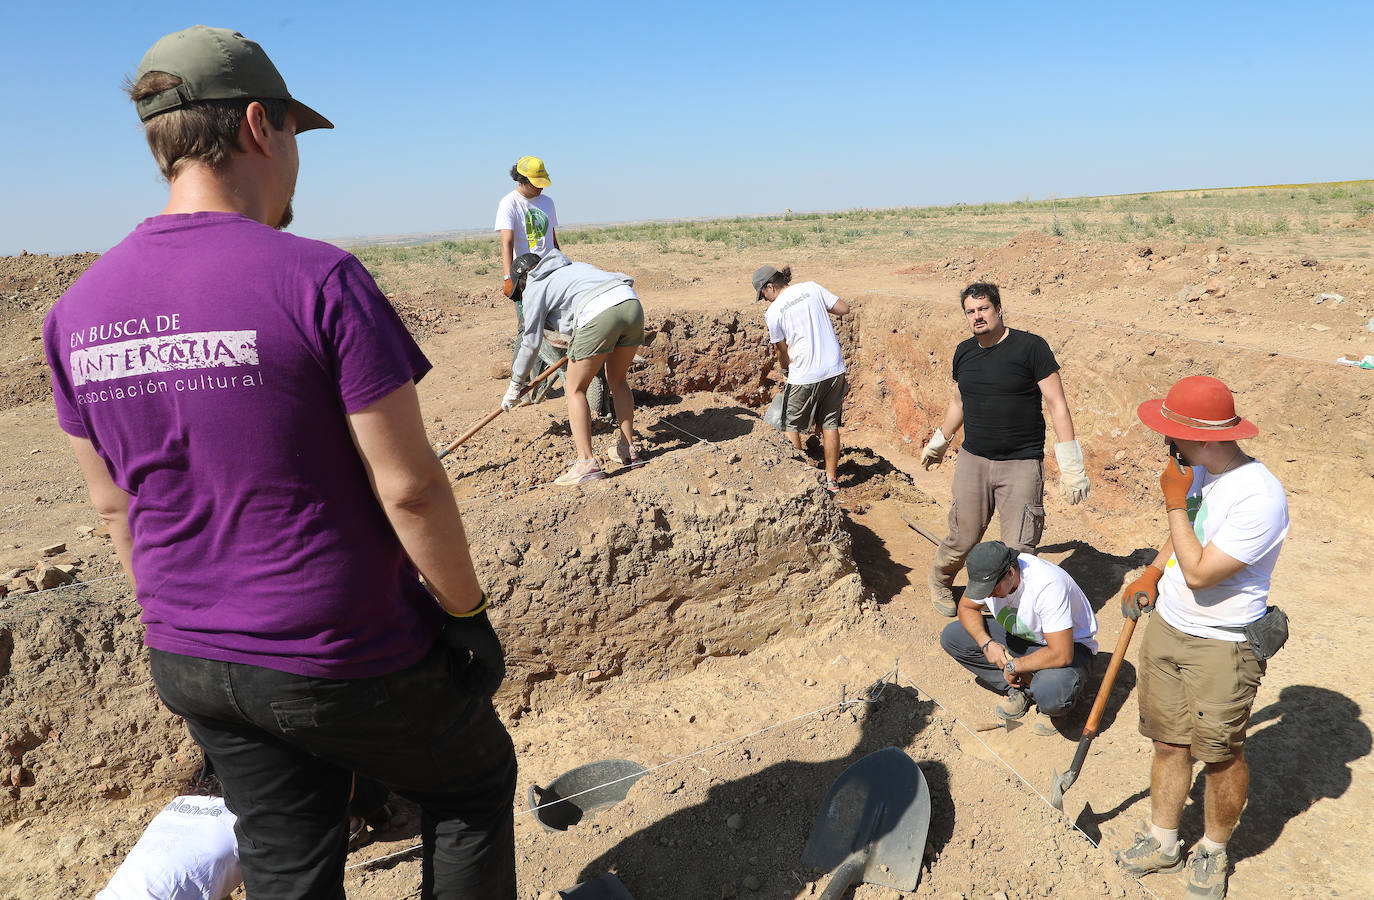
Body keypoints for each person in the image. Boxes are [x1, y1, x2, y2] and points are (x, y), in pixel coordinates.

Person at [43, 26, 515, 899]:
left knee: (289, 853)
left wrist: (194, 624)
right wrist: (466, 613)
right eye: (296, 132)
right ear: (259, 125)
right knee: (472, 785)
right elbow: (409, 487)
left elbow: (116, 512)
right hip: (335, 646)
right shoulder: (318, 279)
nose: (298, 157)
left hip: (187, 657)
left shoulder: (76, 313)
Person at [1115, 376, 1288, 900]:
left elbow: (1199, 572)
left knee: (1219, 755)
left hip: (1222, 644)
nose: (1165, 441)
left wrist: (1172, 501)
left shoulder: (1260, 497)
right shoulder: (1198, 472)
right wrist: (1150, 570)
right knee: (1168, 742)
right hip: (1170, 627)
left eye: (1173, 432)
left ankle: (1213, 849)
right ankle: (1164, 839)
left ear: (1208, 438)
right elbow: (1184, 535)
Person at [920, 282, 1090, 616]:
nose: (977, 316)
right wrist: (941, 440)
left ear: (998, 309)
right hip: (974, 460)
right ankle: (940, 581)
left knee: (1019, 549)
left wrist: (1071, 466)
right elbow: (959, 401)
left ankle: (1010, 608)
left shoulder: (1031, 348)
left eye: (983, 309)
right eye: (970, 311)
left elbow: (1057, 405)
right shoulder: (964, 352)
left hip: (1021, 463)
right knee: (963, 537)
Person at [503, 250, 644, 484]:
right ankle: (628, 449)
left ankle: (586, 463)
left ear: (524, 280)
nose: (521, 295)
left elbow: (530, 341)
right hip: (630, 303)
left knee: (574, 388)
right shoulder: (573, 268)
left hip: (599, 313)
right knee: (618, 381)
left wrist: (516, 384)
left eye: (519, 290)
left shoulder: (536, 285)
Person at [939, 540, 1098, 732]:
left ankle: (1050, 703)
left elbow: (1062, 654)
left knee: (1051, 691)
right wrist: (986, 643)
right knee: (953, 637)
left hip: (1069, 647)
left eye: (992, 589)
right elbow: (966, 607)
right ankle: (1020, 688)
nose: (987, 595)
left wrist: (1013, 666)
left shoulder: (1047, 584)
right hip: (1023, 637)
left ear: (1011, 573)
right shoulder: (990, 574)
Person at [753, 264, 850, 493]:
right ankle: (831, 480)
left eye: (763, 294)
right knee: (830, 424)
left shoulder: (774, 311)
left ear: (770, 287)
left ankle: (802, 483)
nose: (764, 299)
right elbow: (843, 308)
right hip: (834, 369)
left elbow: (781, 350)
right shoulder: (812, 288)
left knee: (791, 426)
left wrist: (786, 371)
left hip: (804, 374)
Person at [495, 156, 560, 331]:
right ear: (521, 179)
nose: (540, 187)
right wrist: (508, 278)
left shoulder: (548, 202)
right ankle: (524, 359)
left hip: (550, 271)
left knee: (554, 322)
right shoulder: (509, 203)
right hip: (526, 277)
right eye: (536, 183)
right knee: (528, 328)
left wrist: (562, 263)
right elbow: (506, 243)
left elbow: (552, 238)